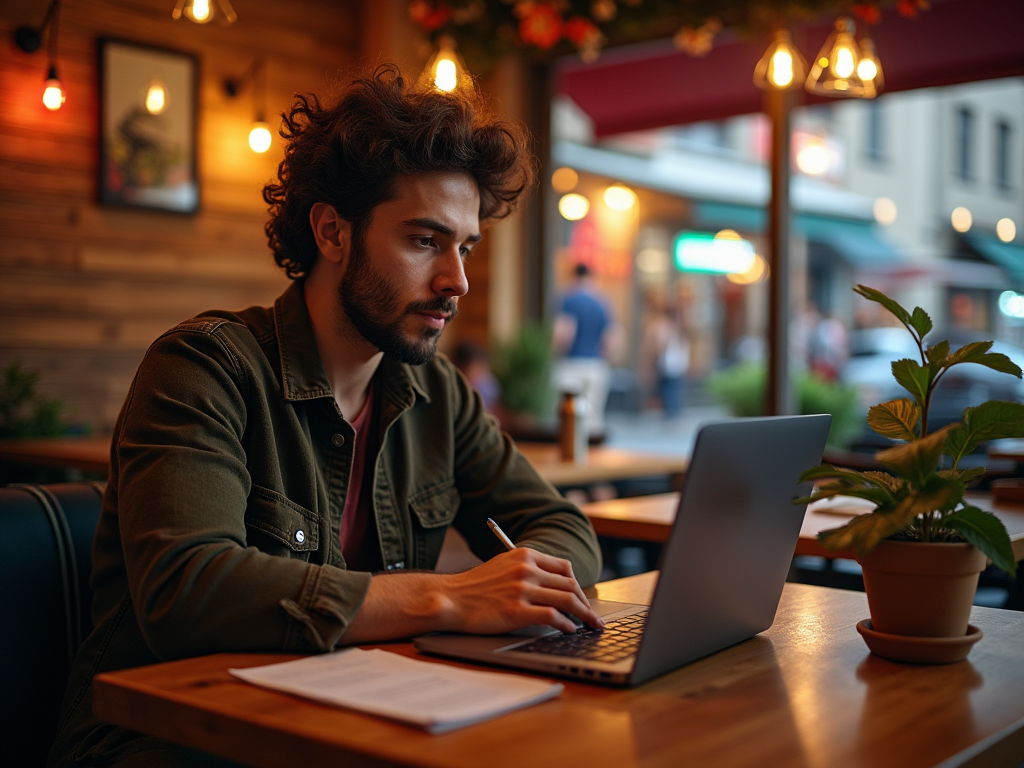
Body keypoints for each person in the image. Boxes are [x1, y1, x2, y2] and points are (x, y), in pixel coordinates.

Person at [48, 65, 602, 768]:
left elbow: (563, 527)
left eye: (465, 247)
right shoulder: (203, 368)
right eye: (425, 241)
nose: (456, 281)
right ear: (332, 233)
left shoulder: (436, 392)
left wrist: (526, 584)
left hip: (357, 717)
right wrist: (446, 600)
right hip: (171, 736)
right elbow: (188, 590)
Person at [552, 263, 622, 435]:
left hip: (571, 364)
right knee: (593, 419)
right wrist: (606, 359)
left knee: (567, 420)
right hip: (596, 365)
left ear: (574, 276)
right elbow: (612, 336)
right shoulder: (602, 301)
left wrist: (555, 354)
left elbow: (565, 332)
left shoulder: (569, 299)